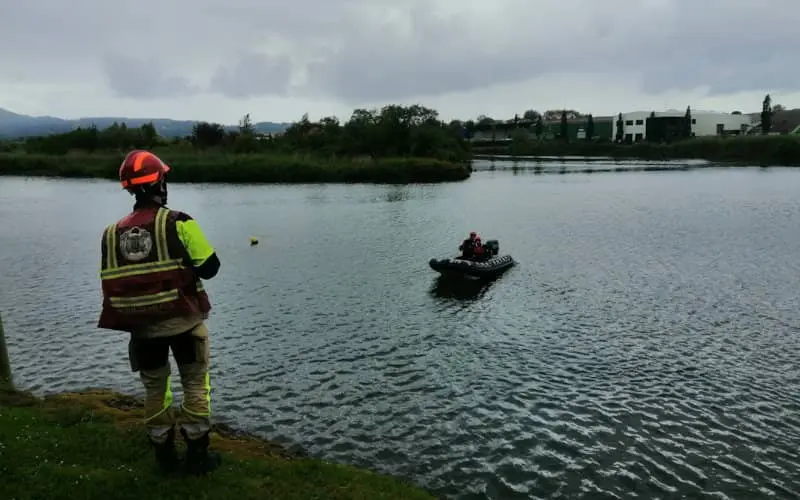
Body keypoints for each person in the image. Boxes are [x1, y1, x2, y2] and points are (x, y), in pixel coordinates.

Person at [97, 150, 222, 476]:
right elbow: (211, 269)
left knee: (155, 389)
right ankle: (197, 456)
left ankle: (163, 458)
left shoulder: (111, 233)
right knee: (195, 384)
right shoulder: (180, 222)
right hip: (184, 322)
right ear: (160, 183)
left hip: (142, 330)